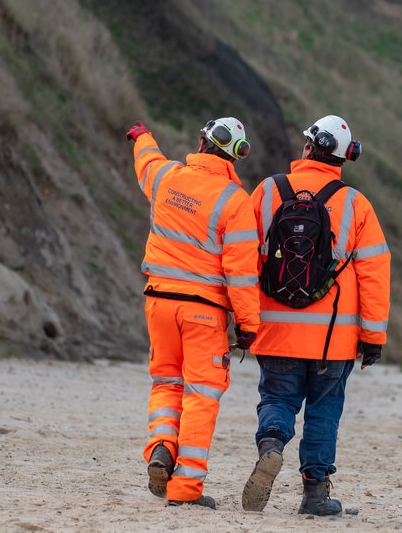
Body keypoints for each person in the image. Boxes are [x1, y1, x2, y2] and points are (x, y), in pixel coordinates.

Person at [241, 115, 390, 516]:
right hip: (333, 340)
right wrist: (373, 337)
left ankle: (271, 446)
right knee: (324, 410)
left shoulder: (268, 191)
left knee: (276, 398)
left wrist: (242, 321)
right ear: (346, 158)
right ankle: (315, 494)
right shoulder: (356, 204)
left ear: (308, 147)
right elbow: (375, 273)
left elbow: (241, 258)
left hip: (275, 331)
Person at [126, 117, 261, 509]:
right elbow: (241, 272)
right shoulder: (235, 202)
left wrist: (142, 135)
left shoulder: (167, 177)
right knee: (202, 395)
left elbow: (146, 160)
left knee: (166, 382)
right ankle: (185, 488)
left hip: (158, 301)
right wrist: (249, 326)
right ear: (236, 157)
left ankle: (162, 446)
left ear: (201, 142)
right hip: (204, 312)